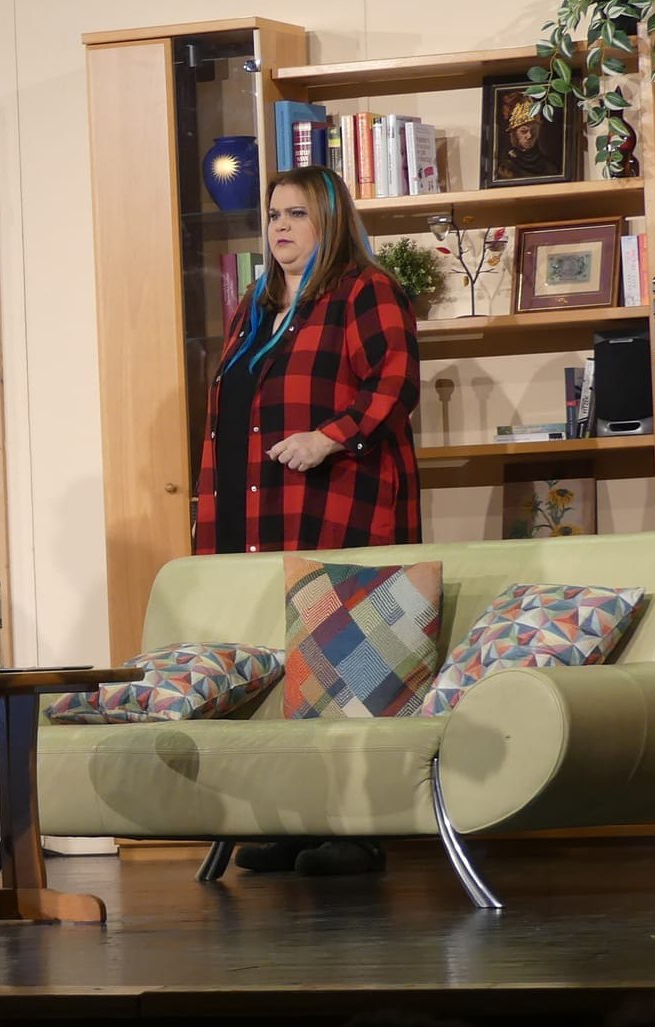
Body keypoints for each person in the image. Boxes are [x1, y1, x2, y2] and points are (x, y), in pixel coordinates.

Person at [194, 163, 421, 876]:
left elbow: (395, 385)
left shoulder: (364, 290)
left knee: (345, 665)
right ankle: (294, 822)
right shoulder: (255, 306)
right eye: (273, 215)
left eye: (296, 213)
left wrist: (331, 436)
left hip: (336, 504)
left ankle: (358, 829)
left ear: (330, 221)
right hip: (254, 511)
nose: (280, 227)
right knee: (279, 665)